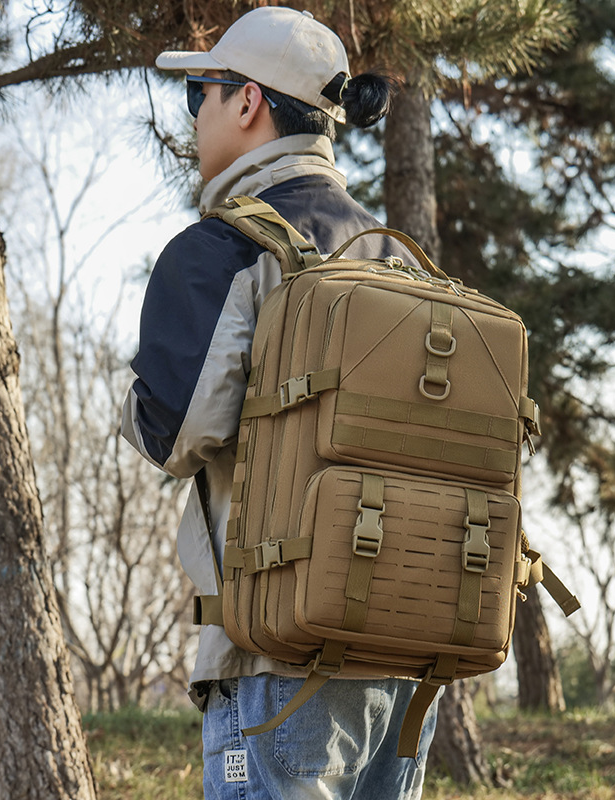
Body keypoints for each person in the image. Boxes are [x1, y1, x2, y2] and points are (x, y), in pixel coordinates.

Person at [121, 7, 438, 799]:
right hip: (406, 660)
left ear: (248, 101)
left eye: (200, 93)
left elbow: (173, 434)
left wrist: (129, 404)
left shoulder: (223, 250)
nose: (194, 116)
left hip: (283, 660)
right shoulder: (400, 262)